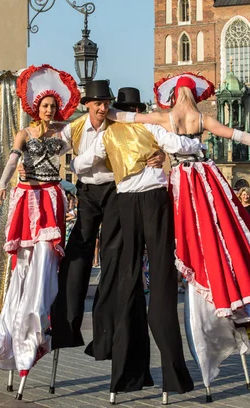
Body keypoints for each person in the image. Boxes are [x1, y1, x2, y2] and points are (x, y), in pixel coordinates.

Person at [109, 72, 250, 391]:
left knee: (204, 239)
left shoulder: (166, 117)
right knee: (215, 237)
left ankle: (210, 283)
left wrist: (104, 111)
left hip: (182, 182)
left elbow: (125, 116)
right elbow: (239, 135)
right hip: (201, 180)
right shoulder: (200, 118)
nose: (184, 96)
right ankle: (219, 287)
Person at [73, 81, 205, 396]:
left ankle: (128, 376)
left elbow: (79, 165)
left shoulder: (109, 134)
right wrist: (191, 145)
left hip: (127, 204)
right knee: (161, 284)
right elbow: (185, 147)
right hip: (154, 201)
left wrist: (107, 162)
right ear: (139, 110)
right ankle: (172, 377)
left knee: (127, 284)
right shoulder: (150, 129)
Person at [0, 65, 79, 387]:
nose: (49, 110)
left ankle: (35, 327)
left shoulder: (62, 135)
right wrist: (1, 185)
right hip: (27, 199)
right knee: (23, 265)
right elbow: (12, 160)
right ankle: (16, 333)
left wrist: (77, 187)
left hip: (51, 198)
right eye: (45, 105)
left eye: (53, 106)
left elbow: (76, 161)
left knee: (44, 263)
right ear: (35, 107)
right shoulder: (24, 133)